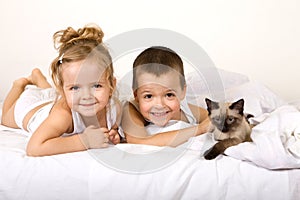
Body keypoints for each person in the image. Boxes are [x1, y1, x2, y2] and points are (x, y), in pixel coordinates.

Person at [1, 24, 122, 156]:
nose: (86, 96)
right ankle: (18, 85)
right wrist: (85, 141)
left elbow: (113, 128)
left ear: (111, 85)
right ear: (63, 89)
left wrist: (112, 135)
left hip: (51, 100)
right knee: (6, 119)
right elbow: (34, 148)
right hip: (31, 108)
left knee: (49, 94)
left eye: (96, 86)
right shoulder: (64, 115)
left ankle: (39, 79)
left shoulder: (114, 109)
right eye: (75, 88)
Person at [121, 46, 209, 147]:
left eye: (169, 95)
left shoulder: (185, 110)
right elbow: (140, 142)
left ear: (182, 92)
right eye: (149, 96)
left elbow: (210, 118)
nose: (159, 105)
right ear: (136, 95)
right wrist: (200, 129)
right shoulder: (130, 109)